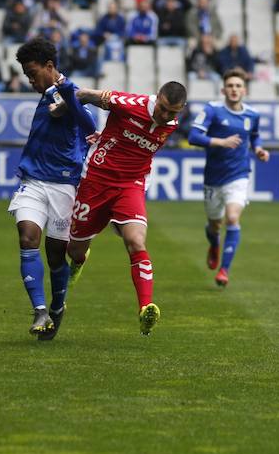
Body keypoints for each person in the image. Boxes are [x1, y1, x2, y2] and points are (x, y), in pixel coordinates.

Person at [66, 81, 188, 335]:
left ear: (181, 109)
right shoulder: (129, 104)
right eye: (163, 108)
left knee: (136, 241)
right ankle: (79, 261)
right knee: (75, 249)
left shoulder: (172, 124)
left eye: (172, 112)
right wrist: (62, 109)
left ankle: (145, 308)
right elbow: (84, 95)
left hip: (131, 185)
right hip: (96, 179)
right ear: (157, 97)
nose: (165, 116)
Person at [9, 36, 96, 340]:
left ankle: (57, 308)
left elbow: (89, 126)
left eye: (32, 74)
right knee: (27, 236)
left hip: (64, 185)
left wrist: (69, 101)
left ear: (49, 66)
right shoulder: (48, 93)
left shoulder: (71, 91)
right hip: (33, 180)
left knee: (56, 255)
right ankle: (40, 310)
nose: (30, 81)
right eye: (26, 75)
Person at [187, 68, 269, 288]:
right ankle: (214, 243)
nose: (234, 89)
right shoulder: (212, 110)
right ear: (223, 90)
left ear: (245, 90)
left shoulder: (252, 114)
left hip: (239, 174)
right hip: (213, 177)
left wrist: (259, 150)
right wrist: (220, 142)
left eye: (238, 86)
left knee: (232, 218)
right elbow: (193, 136)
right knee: (215, 225)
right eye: (230, 86)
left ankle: (224, 270)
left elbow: (255, 136)